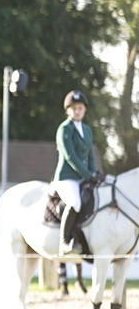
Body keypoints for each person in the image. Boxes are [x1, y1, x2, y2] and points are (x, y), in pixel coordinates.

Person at [53, 89, 99, 255]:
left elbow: (90, 155)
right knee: (75, 203)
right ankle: (64, 241)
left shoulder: (87, 130)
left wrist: (94, 174)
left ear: (84, 109)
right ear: (68, 110)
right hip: (67, 177)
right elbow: (70, 156)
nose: (77, 111)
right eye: (74, 108)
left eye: (80, 108)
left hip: (83, 176)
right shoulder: (64, 129)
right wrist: (87, 175)